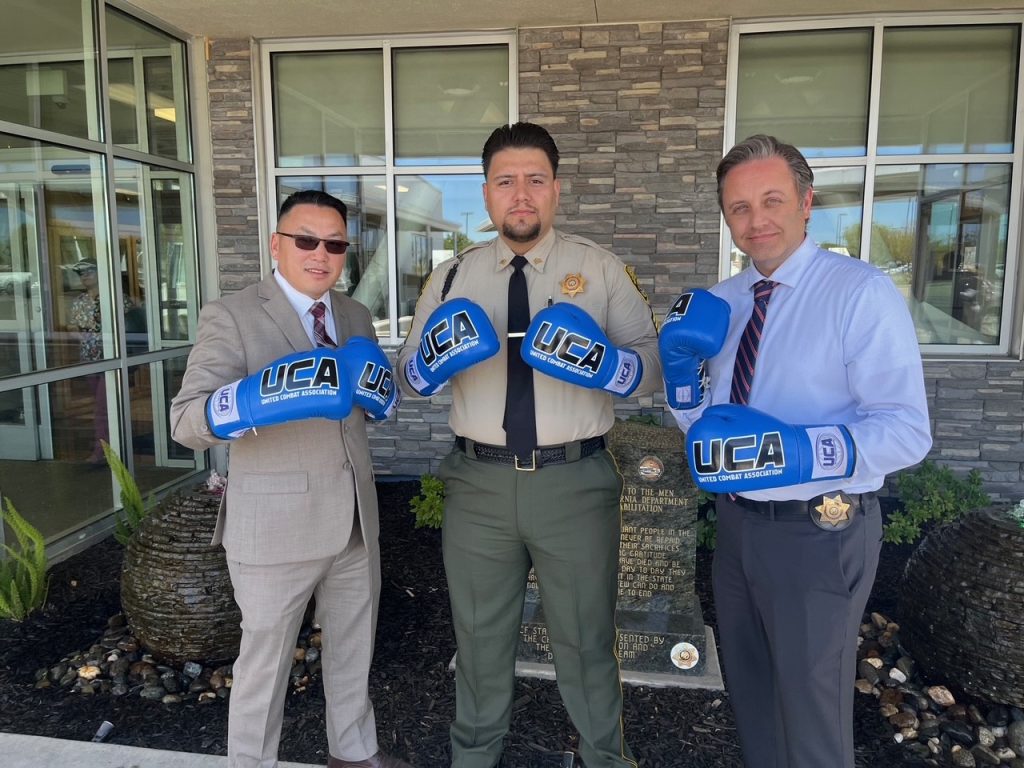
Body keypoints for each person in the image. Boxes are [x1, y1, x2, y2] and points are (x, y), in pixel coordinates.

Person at [660, 134, 932, 768]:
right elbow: (705, 428)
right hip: (736, 527)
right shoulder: (723, 302)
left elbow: (906, 429)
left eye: (772, 200)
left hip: (819, 534)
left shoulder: (859, 292)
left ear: (807, 203)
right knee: (752, 698)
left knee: (811, 719)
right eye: (739, 207)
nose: (756, 220)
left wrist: (805, 452)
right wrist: (680, 382)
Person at [397, 122, 660, 768]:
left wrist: (608, 365)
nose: (521, 194)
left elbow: (652, 366)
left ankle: (606, 759)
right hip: (478, 484)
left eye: (535, 180)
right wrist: (428, 363)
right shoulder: (451, 277)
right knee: (479, 639)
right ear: (486, 193)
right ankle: (473, 759)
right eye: (506, 181)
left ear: (556, 189)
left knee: (586, 640)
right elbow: (406, 375)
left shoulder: (599, 269)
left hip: (575, 482)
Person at [169, 189, 406, 768]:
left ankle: (354, 753)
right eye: (306, 240)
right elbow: (185, 421)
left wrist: (385, 395)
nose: (320, 253)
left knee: (353, 650)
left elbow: (364, 405)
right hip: (274, 530)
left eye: (335, 244)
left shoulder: (354, 315)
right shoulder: (233, 315)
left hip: (354, 521)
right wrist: (252, 400)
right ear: (277, 245)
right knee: (264, 665)